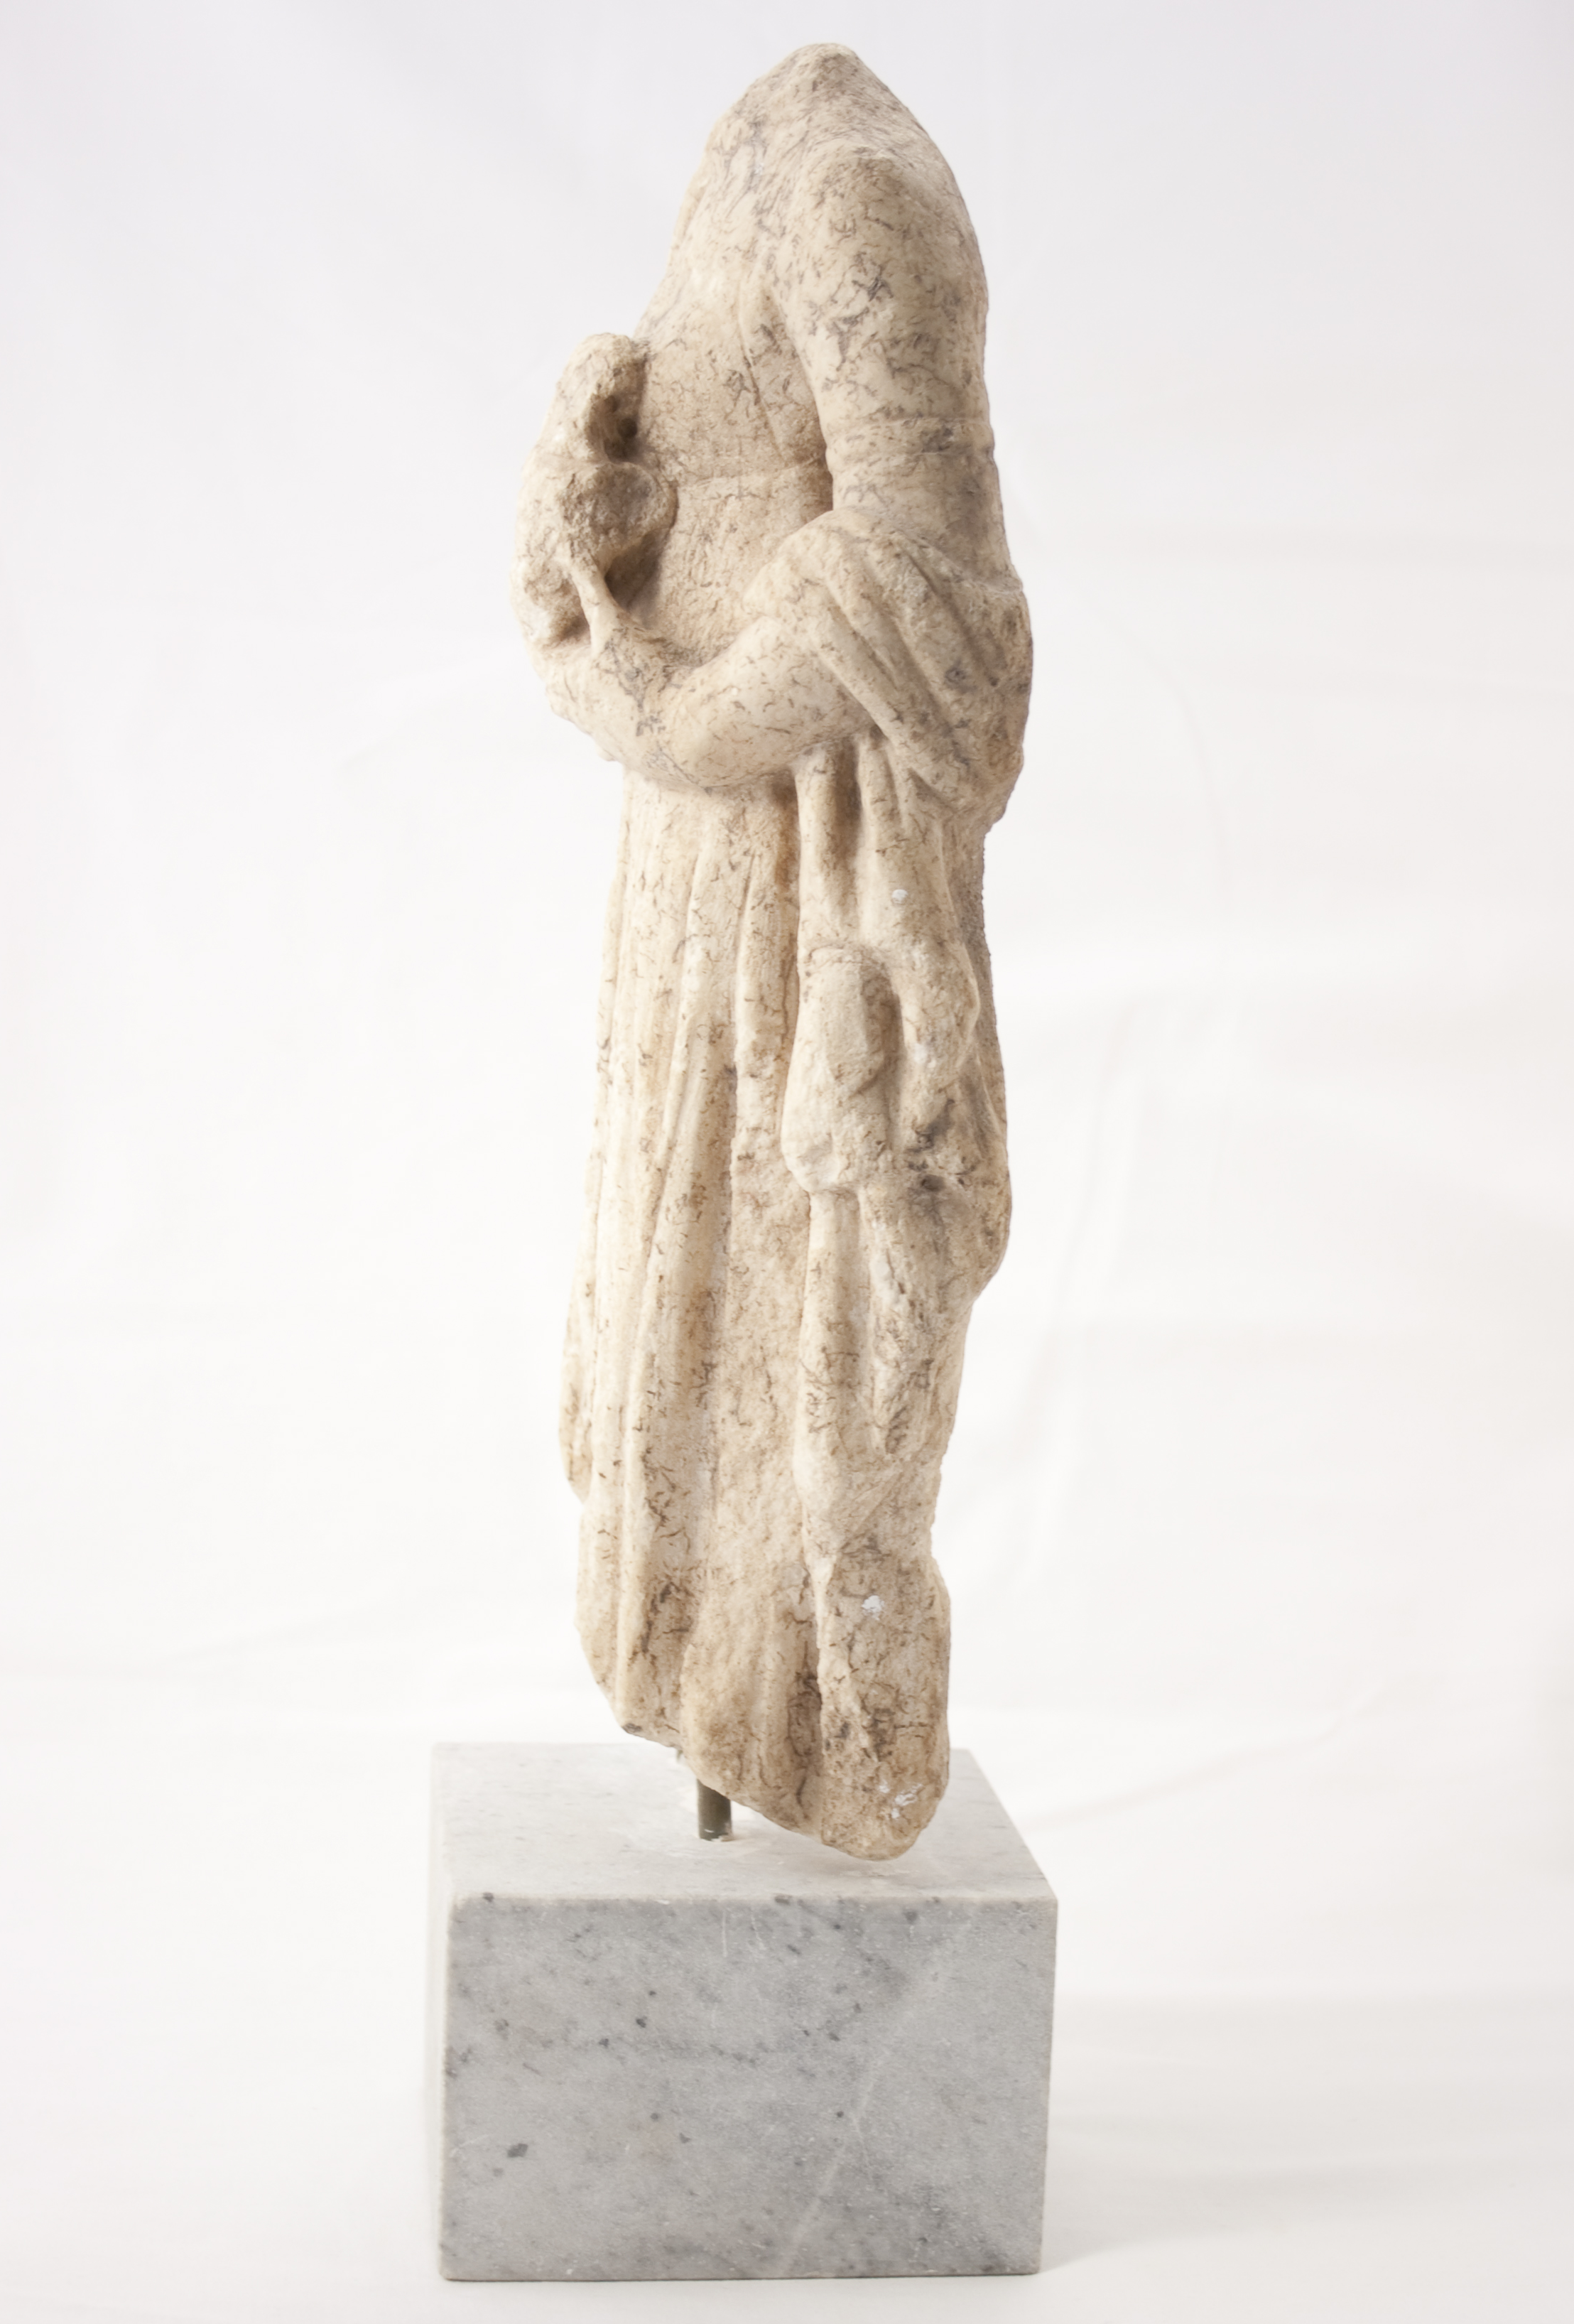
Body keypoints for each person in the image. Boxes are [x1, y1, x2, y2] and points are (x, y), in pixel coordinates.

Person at [512, 45, 1031, 1858]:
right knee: (682, 1324)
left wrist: (664, 717)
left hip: (793, 865)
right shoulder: (755, 144)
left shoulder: (851, 185)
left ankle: (798, 1707)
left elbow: (928, 583)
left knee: (791, 1322)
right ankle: (715, 1674)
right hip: (705, 857)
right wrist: (592, 491)